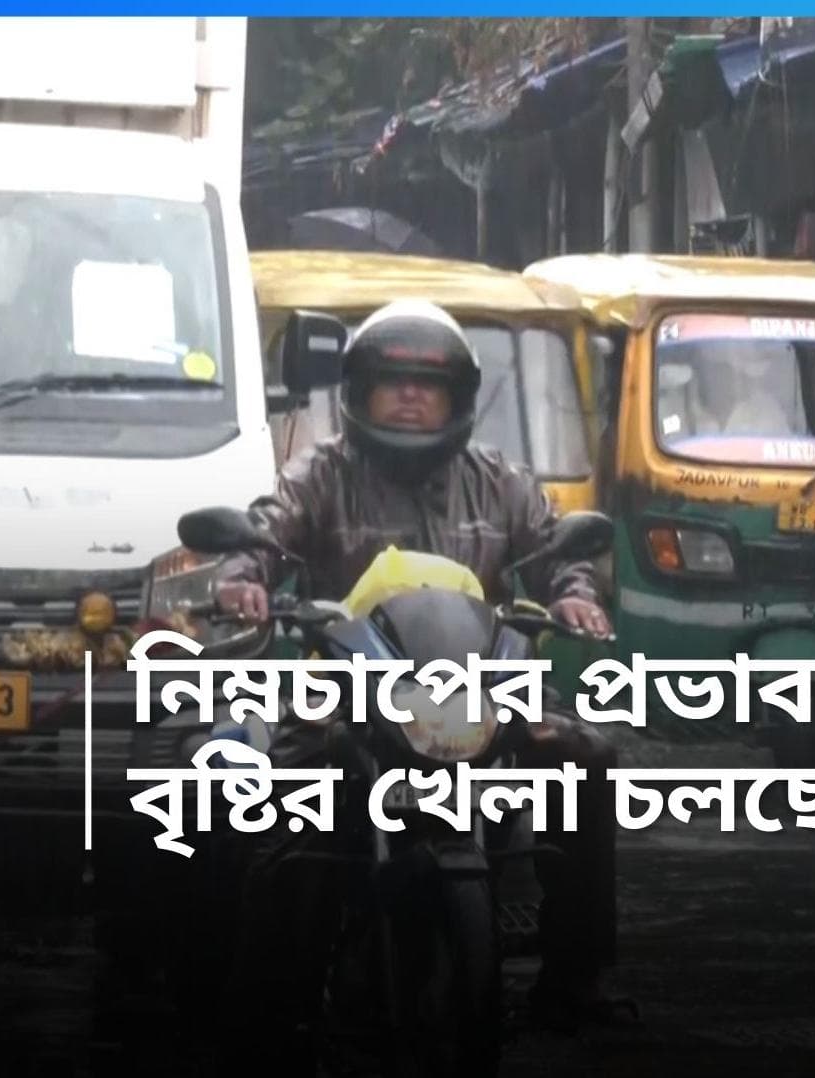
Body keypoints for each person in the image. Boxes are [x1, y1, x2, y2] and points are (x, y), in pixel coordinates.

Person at [208, 300, 622, 1065]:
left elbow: (562, 550)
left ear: (457, 398)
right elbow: (265, 530)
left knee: (587, 755)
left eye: (425, 385)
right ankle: (266, 1004)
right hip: (347, 692)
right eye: (390, 382)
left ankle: (576, 975)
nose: (407, 396)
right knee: (268, 796)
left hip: (480, 692)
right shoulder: (320, 472)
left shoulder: (500, 481)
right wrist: (244, 580)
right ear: (358, 393)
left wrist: (575, 592)